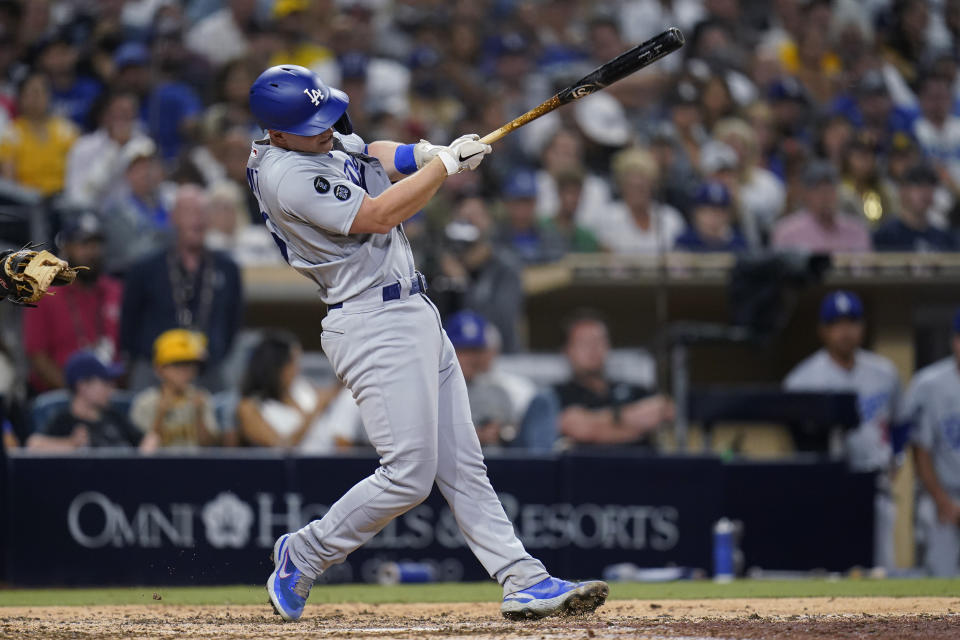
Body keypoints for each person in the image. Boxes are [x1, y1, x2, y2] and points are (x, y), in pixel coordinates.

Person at [245, 65, 606, 622]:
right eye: (311, 125)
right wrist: (445, 168)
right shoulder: (287, 176)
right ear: (277, 133)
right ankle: (304, 553)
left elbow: (370, 152)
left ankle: (523, 580)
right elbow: (379, 213)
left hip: (411, 310)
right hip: (369, 321)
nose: (325, 130)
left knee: (464, 466)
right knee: (408, 475)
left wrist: (429, 152)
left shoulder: (311, 136)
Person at [783, 291, 900, 570]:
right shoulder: (802, 380)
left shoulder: (885, 372)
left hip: (876, 483)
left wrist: (897, 460)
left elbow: (901, 422)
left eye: (852, 322)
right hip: (826, 489)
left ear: (863, 327)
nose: (845, 331)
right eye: (837, 324)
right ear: (823, 330)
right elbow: (795, 440)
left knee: (881, 570)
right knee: (830, 569)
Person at [119, 184, 243, 392]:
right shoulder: (145, 268)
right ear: (173, 217)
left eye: (203, 212)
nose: (198, 219)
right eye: (189, 212)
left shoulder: (228, 268)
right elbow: (128, 327)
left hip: (208, 372)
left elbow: (233, 323)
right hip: (155, 373)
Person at [23, 212, 122, 391]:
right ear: (66, 248)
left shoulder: (116, 291)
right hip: (58, 395)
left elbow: (127, 351)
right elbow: (37, 356)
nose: (92, 252)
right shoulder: (45, 294)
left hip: (110, 392)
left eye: (97, 244)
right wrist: (76, 393)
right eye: (84, 244)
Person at [552, 310, 674, 448]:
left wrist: (602, 425)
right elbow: (580, 429)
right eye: (584, 343)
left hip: (645, 465)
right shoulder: (557, 395)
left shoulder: (633, 389)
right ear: (567, 350)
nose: (593, 349)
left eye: (599, 340)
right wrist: (636, 423)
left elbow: (665, 410)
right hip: (589, 467)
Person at [902, 309, 960, 577]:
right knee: (942, 579)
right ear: (954, 341)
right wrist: (943, 501)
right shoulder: (929, 384)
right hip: (941, 497)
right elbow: (921, 450)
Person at [235, 331, 360, 452]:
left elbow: (330, 396)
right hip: (297, 466)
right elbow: (279, 446)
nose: (297, 368)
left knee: (349, 396)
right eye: (293, 363)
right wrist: (315, 411)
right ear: (276, 367)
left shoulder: (301, 386)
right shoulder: (250, 407)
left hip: (329, 449)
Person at [26, 351, 141, 451]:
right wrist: (71, 444)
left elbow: (144, 445)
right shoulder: (64, 421)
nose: (111, 389)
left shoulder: (114, 416)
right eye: (105, 383)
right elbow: (33, 445)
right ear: (83, 386)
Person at [131, 329, 218, 452]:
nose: (185, 371)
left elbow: (209, 447)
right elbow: (141, 450)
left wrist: (199, 414)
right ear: (159, 369)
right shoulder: (145, 402)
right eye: (178, 365)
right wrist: (160, 414)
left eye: (190, 365)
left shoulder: (201, 398)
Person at [445, 310, 516, 447]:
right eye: (463, 350)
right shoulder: (434, 394)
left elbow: (514, 434)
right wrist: (472, 436)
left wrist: (500, 432)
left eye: (475, 350)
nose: (471, 358)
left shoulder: (498, 393)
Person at [0, 72, 78, 196]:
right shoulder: (10, 134)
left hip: (63, 200)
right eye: (30, 93)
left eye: (40, 93)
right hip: (26, 202)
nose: (36, 99)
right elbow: (8, 181)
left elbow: (78, 172)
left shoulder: (67, 130)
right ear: (20, 98)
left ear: (49, 96)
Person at [597, 147, 686, 254]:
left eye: (641, 187)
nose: (637, 192)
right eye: (631, 186)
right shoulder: (608, 217)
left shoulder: (670, 218)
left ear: (652, 186)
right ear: (621, 186)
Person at [772, 161, 872, 253]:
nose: (825, 197)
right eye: (819, 191)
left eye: (830, 190)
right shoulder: (787, 233)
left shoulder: (856, 231)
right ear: (806, 195)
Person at [874, 163, 957, 252]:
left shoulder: (944, 238)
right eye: (918, 185)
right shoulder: (885, 236)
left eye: (930, 185)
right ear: (903, 190)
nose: (925, 191)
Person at [674, 182, 748, 252]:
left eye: (720, 212)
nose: (714, 218)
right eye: (708, 212)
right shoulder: (685, 242)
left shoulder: (738, 243)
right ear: (696, 214)